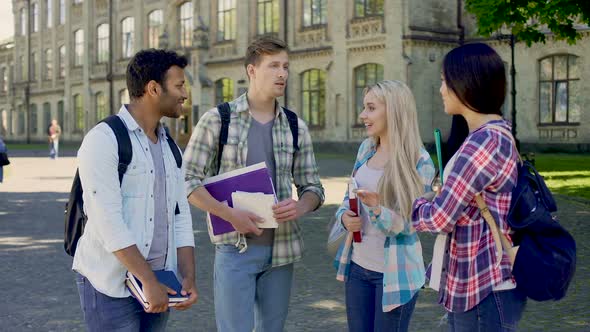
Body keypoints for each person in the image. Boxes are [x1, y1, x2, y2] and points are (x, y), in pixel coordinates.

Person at [184, 37, 325, 332]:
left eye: (285, 66)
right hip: (235, 251)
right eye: (273, 66)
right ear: (251, 70)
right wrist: (228, 214)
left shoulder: (296, 126)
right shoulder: (217, 120)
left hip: (282, 251)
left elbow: (314, 187)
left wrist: (301, 205)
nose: (282, 74)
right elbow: (187, 181)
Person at [72, 49, 198, 331]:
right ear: (153, 88)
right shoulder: (103, 140)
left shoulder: (170, 148)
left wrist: (188, 275)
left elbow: (180, 215)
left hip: (160, 281)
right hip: (109, 284)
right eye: (179, 85)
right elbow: (107, 222)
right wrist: (148, 280)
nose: (185, 94)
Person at [411, 43, 526, 331]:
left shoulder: (482, 143)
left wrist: (413, 204)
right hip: (485, 284)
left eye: (443, 81)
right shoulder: (497, 133)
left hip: (484, 285)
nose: (440, 90)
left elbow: (440, 218)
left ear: (465, 83)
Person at [333, 80, 435, 332]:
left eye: (370, 108)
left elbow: (412, 224)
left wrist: (378, 210)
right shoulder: (366, 148)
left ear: (394, 110)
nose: (362, 115)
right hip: (358, 267)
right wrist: (344, 216)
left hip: (395, 274)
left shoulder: (419, 161)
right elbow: (349, 198)